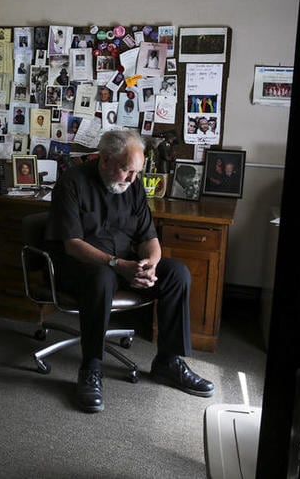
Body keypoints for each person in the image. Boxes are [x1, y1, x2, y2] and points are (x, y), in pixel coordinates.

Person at [45, 129, 214, 413]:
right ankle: (91, 367)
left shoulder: (133, 186)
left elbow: (150, 238)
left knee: (177, 274)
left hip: (124, 263)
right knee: (101, 279)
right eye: (127, 170)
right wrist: (117, 264)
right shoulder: (72, 182)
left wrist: (150, 264)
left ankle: (168, 362)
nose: (133, 179)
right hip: (83, 266)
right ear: (105, 160)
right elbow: (72, 244)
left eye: (136, 171)